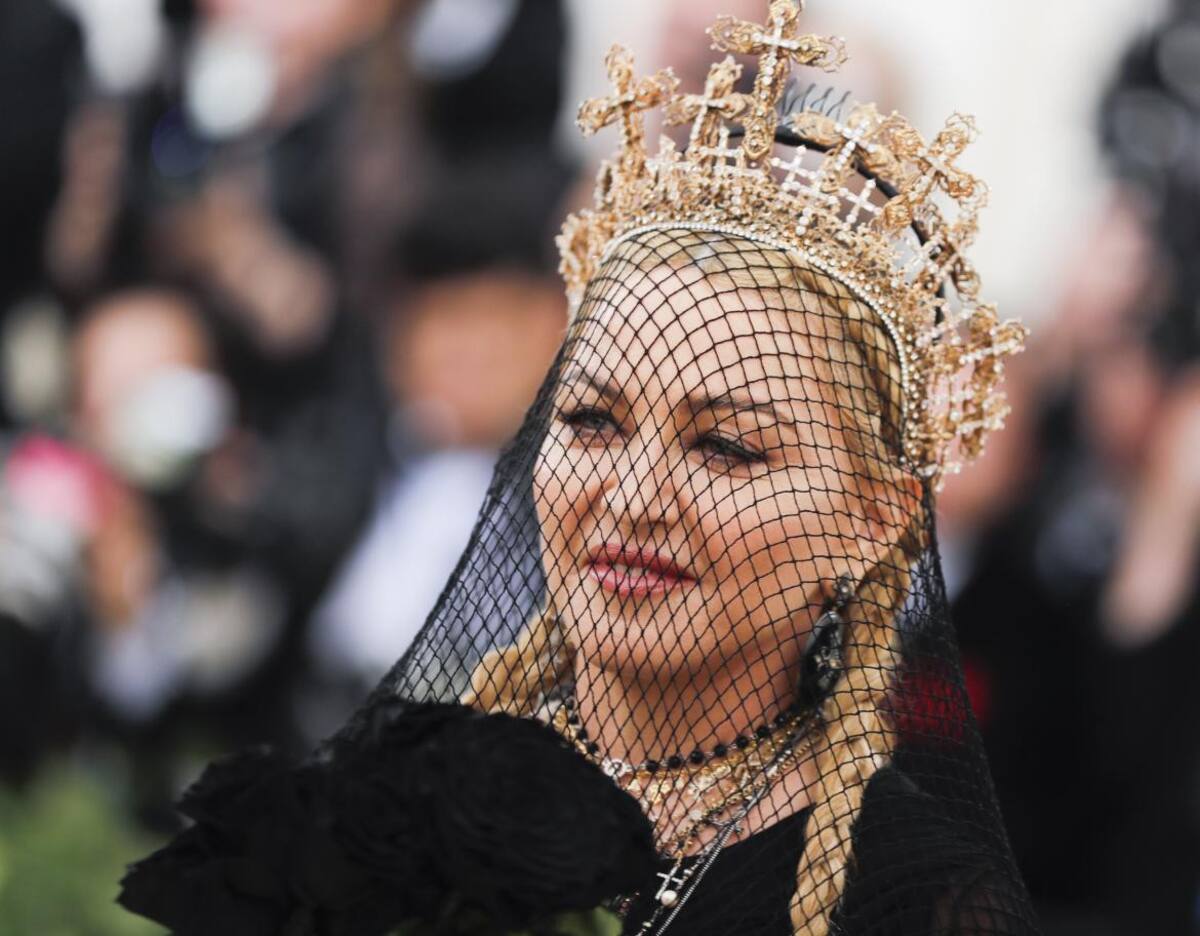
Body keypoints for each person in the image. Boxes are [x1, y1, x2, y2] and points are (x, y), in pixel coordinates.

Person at [121, 3, 1041, 934]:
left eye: (726, 446)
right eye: (593, 420)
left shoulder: (916, 904)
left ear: (871, 520)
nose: (633, 498)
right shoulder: (394, 820)